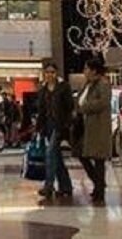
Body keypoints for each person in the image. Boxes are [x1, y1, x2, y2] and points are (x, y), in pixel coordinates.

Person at [35, 60, 75, 200]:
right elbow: (41, 111)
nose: (49, 75)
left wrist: (67, 125)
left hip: (60, 126)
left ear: (56, 73)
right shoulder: (42, 90)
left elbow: (70, 107)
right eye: (47, 72)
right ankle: (66, 186)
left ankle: (49, 185)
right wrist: (38, 128)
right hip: (47, 126)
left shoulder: (64, 87)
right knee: (56, 157)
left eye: (52, 72)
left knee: (50, 154)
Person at [77, 57, 113, 203]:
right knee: (82, 155)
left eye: (86, 68)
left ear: (94, 70)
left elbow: (102, 102)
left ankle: (99, 190)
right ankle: (99, 184)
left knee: (98, 160)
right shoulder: (88, 84)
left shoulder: (103, 84)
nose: (84, 71)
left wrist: (84, 107)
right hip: (86, 127)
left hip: (98, 127)